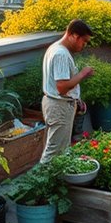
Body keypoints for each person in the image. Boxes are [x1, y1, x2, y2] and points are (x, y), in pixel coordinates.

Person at [40, 19, 94, 163]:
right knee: (53, 152)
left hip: (57, 104)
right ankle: (40, 182)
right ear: (74, 35)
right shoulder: (61, 54)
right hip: (59, 106)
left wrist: (76, 99)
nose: (84, 45)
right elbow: (62, 87)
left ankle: (55, 182)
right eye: (84, 41)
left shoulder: (56, 48)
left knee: (61, 150)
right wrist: (83, 73)